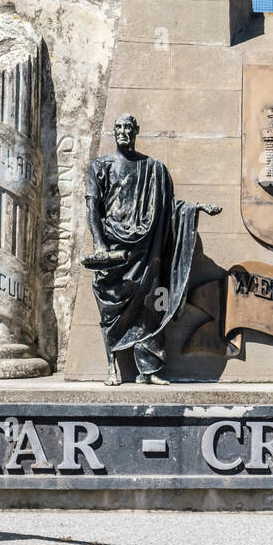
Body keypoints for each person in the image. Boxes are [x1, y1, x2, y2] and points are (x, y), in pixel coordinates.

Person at [83, 114, 221, 384]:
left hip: (146, 251)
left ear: (136, 132)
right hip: (113, 250)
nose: (124, 132)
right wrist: (99, 244)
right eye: (119, 128)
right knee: (110, 309)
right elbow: (93, 208)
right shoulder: (100, 166)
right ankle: (111, 367)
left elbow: (168, 208)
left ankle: (149, 370)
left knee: (149, 307)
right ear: (113, 132)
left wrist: (196, 209)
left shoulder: (154, 169)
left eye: (128, 128)